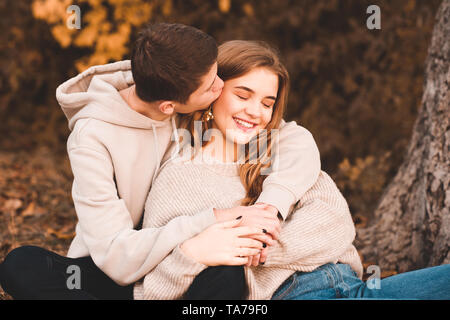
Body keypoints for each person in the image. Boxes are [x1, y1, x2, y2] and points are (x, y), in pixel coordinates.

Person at [0, 23, 321, 299]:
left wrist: (269, 207)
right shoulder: (92, 138)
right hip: (124, 265)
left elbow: (293, 138)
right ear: (169, 106)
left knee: (225, 272)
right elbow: (115, 254)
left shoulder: (181, 85)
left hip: (184, 265)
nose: (221, 87)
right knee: (21, 264)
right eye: (213, 84)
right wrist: (210, 222)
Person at [134, 40, 450, 300]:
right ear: (213, 93)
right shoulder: (178, 176)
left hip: (355, 286)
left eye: (267, 102)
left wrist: (251, 247)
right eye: (243, 95)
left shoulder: (282, 150)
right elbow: (153, 289)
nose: (255, 112)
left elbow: (335, 225)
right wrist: (195, 253)